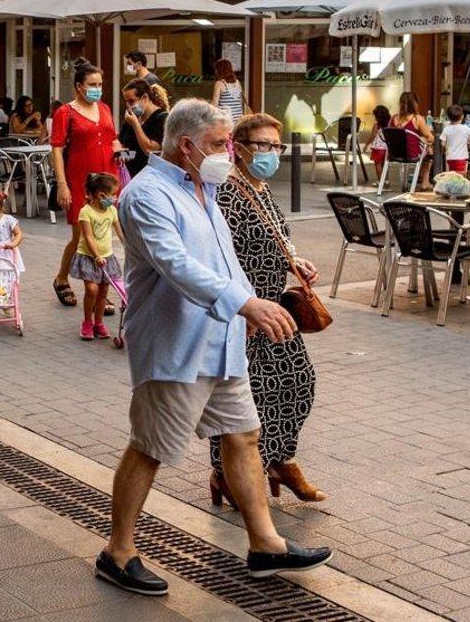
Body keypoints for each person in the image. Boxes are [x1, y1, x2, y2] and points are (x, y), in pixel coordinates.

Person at [96, 99, 331, 596]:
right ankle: (117, 551)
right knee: (150, 447)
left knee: (244, 436)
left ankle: (266, 543)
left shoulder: (205, 186)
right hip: (176, 345)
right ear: (187, 145)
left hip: (221, 342)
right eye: (221, 144)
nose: (230, 153)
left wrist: (251, 301)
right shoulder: (147, 195)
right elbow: (175, 264)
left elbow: (224, 262)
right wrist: (246, 305)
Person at [207, 111, 326, 510]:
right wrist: (239, 308)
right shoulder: (226, 192)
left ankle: (278, 461)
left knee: (298, 384)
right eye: (262, 145)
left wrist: (298, 262)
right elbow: (220, 256)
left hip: (274, 307)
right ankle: (227, 474)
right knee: (241, 398)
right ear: (237, 148)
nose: (270, 153)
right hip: (244, 311)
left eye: (276, 146)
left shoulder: (261, 189)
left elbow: (276, 241)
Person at [50, 58, 122, 309]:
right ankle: (62, 279)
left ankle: (101, 289)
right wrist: (62, 184)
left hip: (107, 178)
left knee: (103, 235)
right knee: (81, 235)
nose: (98, 88)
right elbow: (57, 149)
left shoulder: (104, 108)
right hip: (80, 180)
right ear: (79, 86)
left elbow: (112, 138)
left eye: (100, 84)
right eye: (93, 84)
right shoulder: (65, 112)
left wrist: (118, 148)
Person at [70, 173, 124, 340]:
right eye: (113, 194)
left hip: (107, 257)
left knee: (103, 292)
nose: (114, 198)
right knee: (91, 289)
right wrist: (96, 256)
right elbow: (88, 236)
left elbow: (119, 230)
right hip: (89, 257)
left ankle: (98, 323)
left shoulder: (112, 211)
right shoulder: (86, 212)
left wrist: (129, 246)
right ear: (101, 195)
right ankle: (87, 321)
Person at [119, 78, 169, 177]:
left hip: (151, 177)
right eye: (127, 102)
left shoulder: (162, 118)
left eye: (131, 101)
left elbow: (150, 150)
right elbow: (125, 148)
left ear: (145, 97)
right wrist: (123, 155)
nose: (129, 106)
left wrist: (136, 125)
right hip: (130, 176)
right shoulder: (131, 119)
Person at [391, 91, 435, 191]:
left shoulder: (394, 118)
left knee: (424, 148)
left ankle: (418, 177)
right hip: (412, 154)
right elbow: (430, 137)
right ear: (414, 104)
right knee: (429, 150)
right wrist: (423, 138)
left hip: (395, 154)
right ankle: (425, 182)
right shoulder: (417, 119)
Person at [441, 105, 470, 174]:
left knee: (451, 175)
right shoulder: (465, 128)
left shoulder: (446, 129)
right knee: (461, 177)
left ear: (448, 118)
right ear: (462, 116)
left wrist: (445, 149)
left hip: (450, 158)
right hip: (462, 157)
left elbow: (442, 144)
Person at [211, 58, 244, 124]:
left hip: (226, 120)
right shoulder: (237, 82)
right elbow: (240, 101)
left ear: (219, 70)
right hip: (238, 119)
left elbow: (214, 105)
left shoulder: (220, 83)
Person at [366, 104, 391, 182]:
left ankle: (380, 181)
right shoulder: (389, 124)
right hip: (386, 148)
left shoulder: (376, 125)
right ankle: (386, 180)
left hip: (377, 148)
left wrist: (366, 144)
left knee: (378, 165)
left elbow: (372, 136)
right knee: (385, 165)